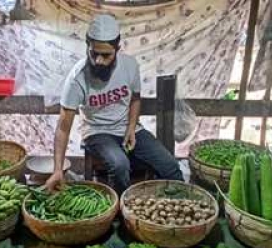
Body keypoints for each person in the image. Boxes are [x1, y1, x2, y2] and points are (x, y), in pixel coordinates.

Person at [46, 14, 183, 193]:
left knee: (169, 165)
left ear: (118, 48)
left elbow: (135, 98)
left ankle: (179, 206)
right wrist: (57, 170)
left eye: (106, 55)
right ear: (87, 46)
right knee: (120, 165)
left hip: (127, 127)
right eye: (94, 53)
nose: (99, 61)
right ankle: (120, 212)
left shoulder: (130, 66)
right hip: (97, 132)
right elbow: (63, 128)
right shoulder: (77, 78)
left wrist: (131, 128)